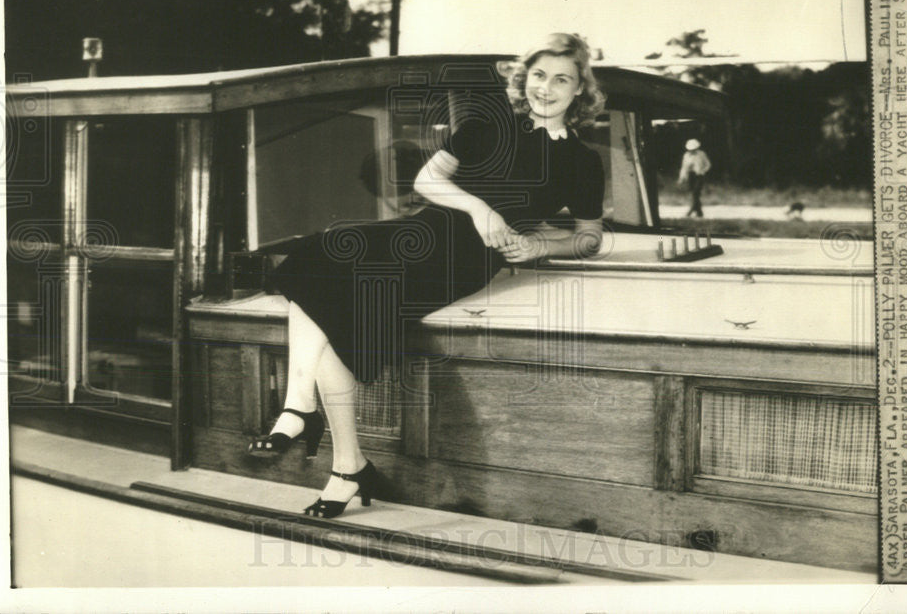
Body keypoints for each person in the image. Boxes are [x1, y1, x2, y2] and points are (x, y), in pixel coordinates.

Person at [249, 33, 607, 518]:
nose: (547, 87)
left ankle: (324, 440)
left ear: (580, 90)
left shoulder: (582, 161)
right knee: (318, 256)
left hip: (464, 259)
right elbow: (425, 181)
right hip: (423, 231)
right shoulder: (489, 125)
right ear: (525, 80)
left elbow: (589, 237)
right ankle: (319, 430)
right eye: (539, 75)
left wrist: (539, 245)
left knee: (328, 296)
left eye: (562, 79)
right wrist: (480, 208)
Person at [678, 138, 711, 218]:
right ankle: (699, 212)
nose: (692, 150)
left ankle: (690, 211)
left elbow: (708, 164)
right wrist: (681, 178)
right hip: (690, 175)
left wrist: (703, 171)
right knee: (694, 194)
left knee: (696, 192)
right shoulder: (686, 155)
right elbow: (684, 167)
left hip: (699, 176)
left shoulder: (701, 154)